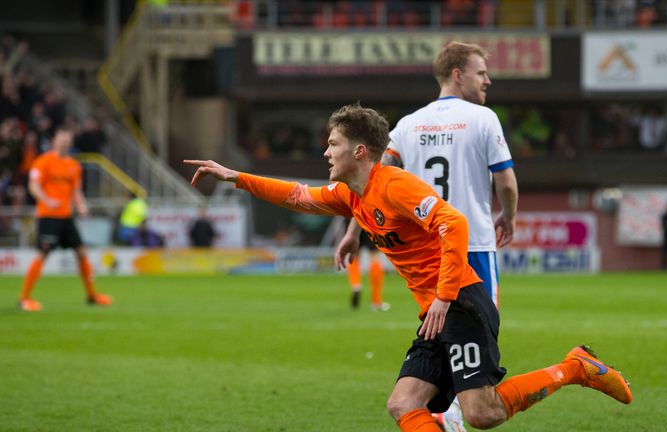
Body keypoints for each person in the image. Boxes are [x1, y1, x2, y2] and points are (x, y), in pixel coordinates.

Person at [185, 104, 631, 431]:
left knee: (482, 413)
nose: (326, 152)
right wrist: (235, 177)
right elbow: (297, 195)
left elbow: (452, 223)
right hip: (434, 313)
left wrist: (442, 295)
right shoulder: (351, 196)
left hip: (458, 300)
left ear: (359, 151)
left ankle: (575, 368)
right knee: (403, 404)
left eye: (333, 144)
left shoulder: (393, 185)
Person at [336, 41, 519, 431]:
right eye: (481, 72)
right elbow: (505, 179)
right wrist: (509, 215)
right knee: (476, 347)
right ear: (457, 74)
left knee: (445, 340)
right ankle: (455, 416)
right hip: (472, 245)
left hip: (427, 252)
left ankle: (446, 416)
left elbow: (366, 184)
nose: (488, 79)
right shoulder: (483, 118)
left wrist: (354, 230)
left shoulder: (407, 126)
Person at [18, 126, 113, 311]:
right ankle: (24, 298)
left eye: (67, 140)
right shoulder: (43, 161)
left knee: (81, 252)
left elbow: (76, 191)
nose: (64, 143)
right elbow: (33, 186)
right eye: (61, 139)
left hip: (66, 216)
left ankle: (92, 295)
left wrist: (82, 206)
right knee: (43, 253)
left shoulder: (73, 166)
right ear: (54, 141)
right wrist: (46, 199)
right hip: (48, 215)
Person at [346, 228, 388, 311]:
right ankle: (376, 301)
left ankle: (356, 285)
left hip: (352, 220)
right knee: (375, 257)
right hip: (369, 221)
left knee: (353, 255)